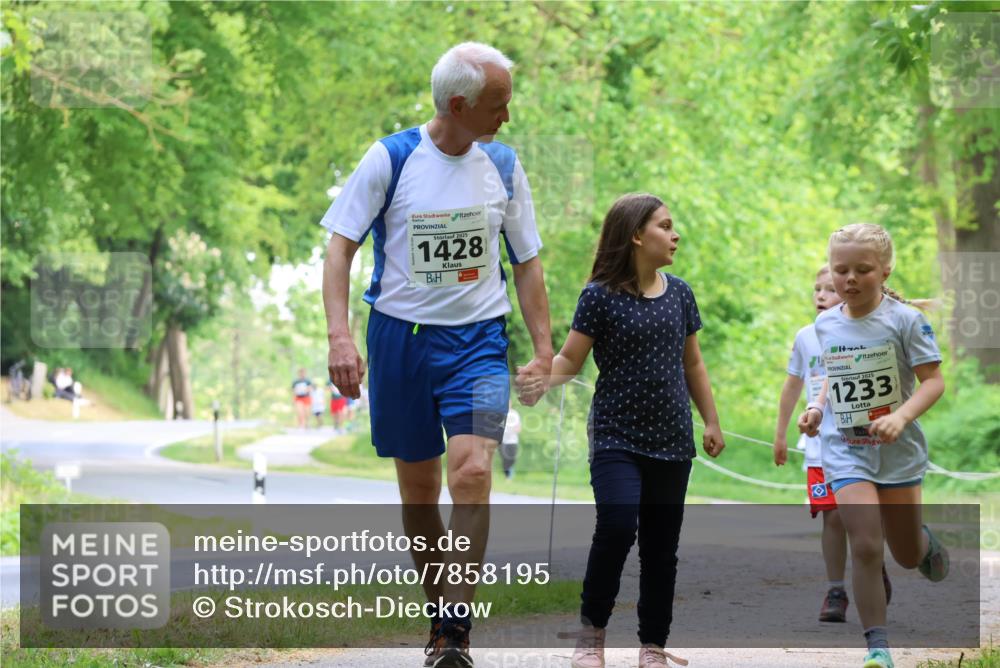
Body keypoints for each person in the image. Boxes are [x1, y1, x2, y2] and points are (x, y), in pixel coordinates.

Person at [321, 42, 552, 668]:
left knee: (473, 474)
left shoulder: (503, 166)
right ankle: (439, 620)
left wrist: (542, 349)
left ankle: (455, 632)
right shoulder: (391, 159)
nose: (508, 115)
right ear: (459, 104)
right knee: (420, 495)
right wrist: (341, 337)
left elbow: (526, 262)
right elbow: (339, 249)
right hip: (401, 342)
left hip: (478, 343)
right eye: (498, 104)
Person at [519, 193, 724, 668]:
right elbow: (571, 358)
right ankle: (591, 636)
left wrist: (711, 420)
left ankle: (652, 646)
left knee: (661, 547)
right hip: (616, 437)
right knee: (616, 525)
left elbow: (693, 362)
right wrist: (543, 381)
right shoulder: (600, 296)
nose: (675, 235)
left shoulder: (681, 294)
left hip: (672, 440)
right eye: (665, 226)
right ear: (636, 235)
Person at [798, 223, 949, 668]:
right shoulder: (825, 323)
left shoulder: (905, 321)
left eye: (862, 270)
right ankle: (878, 647)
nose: (849, 279)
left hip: (897, 453)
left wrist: (901, 416)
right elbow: (831, 377)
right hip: (845, 450)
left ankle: (920, 543)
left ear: (884, 270)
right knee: (865, 545)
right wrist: (817, 410)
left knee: (902, 555)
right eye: (840, 269)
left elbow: (934, 382)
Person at [773, 266, 892, 623]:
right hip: (819, 444)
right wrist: (780, 434)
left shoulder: (870, 332)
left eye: (829, 290)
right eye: (817, 289)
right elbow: (792, 386)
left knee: (864, 517)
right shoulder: (807, 336)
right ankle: (836, 589)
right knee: (832, 516)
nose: (821, 296)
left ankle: (872, 563)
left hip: (862, 442)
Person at [499, 401, 521, 479]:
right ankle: (508, 476)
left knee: (512, 458)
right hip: (503, 440)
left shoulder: (515, 414)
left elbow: (518, 427)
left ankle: (509, 475)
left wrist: (513, 430)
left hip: (513, 440)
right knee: (505, 458)